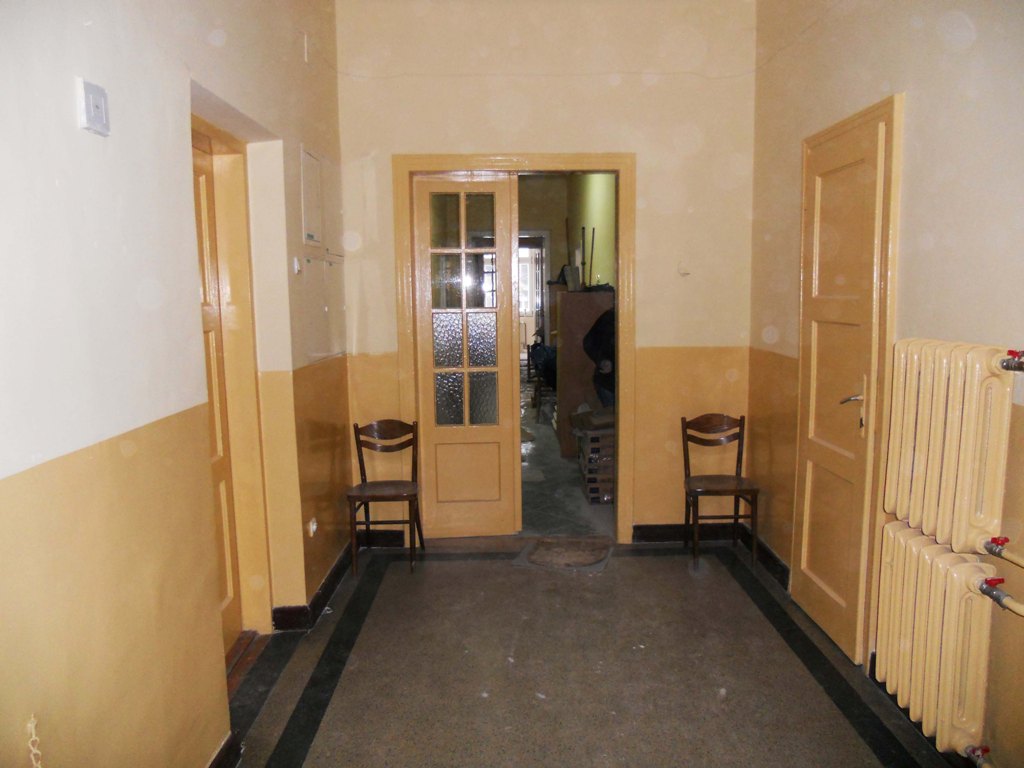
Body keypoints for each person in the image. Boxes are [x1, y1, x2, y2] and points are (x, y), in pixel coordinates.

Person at [583, 308, 615, 407]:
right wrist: (602, 361)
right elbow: (588, 342)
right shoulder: (610, 316)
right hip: (608, 383)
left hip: (620, 382)